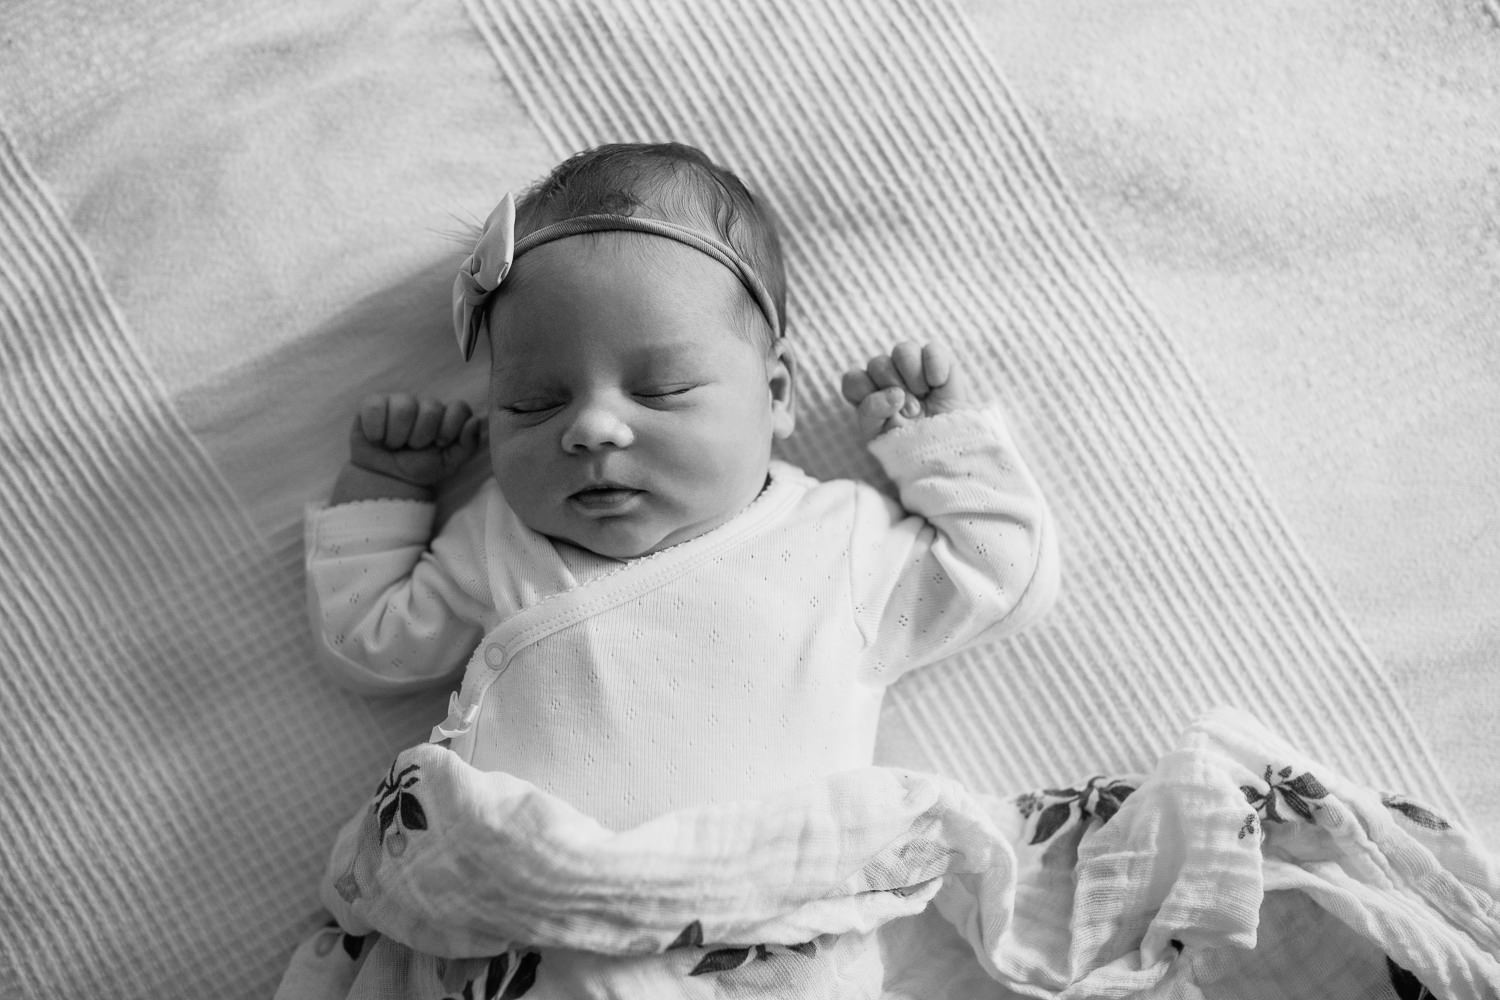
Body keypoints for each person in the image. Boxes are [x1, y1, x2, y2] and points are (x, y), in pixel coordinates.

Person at [297, 141, 1059, 994]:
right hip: (516, 943)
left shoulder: (837, 539)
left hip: (759, 944)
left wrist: (940, 447)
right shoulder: (499, 535)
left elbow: (1000, 578)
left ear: (775, 395)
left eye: (657, 391)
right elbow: (372, 644)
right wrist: (387, 489)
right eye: (533, 403)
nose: (591, 429)